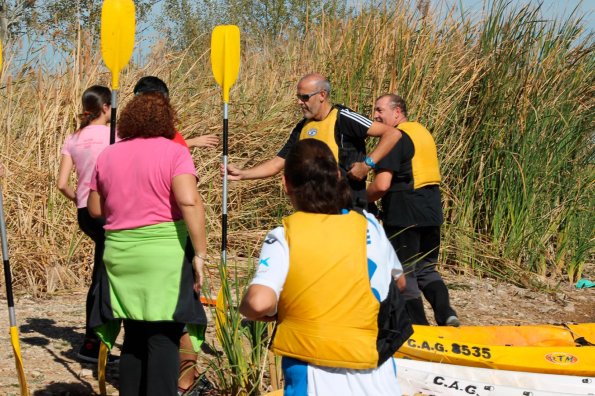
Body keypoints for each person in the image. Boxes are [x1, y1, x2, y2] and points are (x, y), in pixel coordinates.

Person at [240, 139, 412, 396]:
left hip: (313, 368)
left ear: (286, 185)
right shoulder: (369, 225)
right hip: (375, 366)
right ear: (337, 176)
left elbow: (258, 303)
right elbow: (399, 282)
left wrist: (255, 310)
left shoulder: (284, 235)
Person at [87, 92, 208, 395]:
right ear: (168, 120)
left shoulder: (108, 154)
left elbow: (95, 209)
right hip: (163, 253)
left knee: (134, 335)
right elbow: (189, 201)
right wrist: (201, 254)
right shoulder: (175, 152)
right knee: (164, 336)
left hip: (120, 254)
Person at [133, 75, 215, 396]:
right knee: (188, 315)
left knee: (141, 323)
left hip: (129, 244)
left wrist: (189, 142)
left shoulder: (119, 144)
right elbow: (188, 199)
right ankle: (185, 382)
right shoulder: (173, 143)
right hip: (170, 239)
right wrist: (200, 252)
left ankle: (165, 380)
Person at [226, 72, 401, 210]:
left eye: (304, 97)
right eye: (298, 97)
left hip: (348, 207)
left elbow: (392, 134)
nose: (299, 102)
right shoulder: (302, 127)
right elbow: (277, 163)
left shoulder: (344, 118)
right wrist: (243, 174)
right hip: (314, 210)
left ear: (322, 95)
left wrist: (367, 164)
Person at [367, 94, 460, 327]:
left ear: (397, 112)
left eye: (380, 110)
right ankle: (447, 314)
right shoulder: (422, 132)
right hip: (431, 213)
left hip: (404, 215)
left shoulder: (395, 138)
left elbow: (382, 185)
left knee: (404, 273)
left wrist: (357, 197)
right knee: (427, 271)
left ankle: (418, 327)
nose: (375, 116)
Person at [57, 85, 118, 363]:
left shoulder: (74, 138)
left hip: (85, 213)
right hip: (109, 211)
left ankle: (97, 342)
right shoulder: (115, 135)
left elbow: (61, 184)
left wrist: (80, 200)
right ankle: (94, 344)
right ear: (106, 107)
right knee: (104, 279)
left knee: (101, 273)